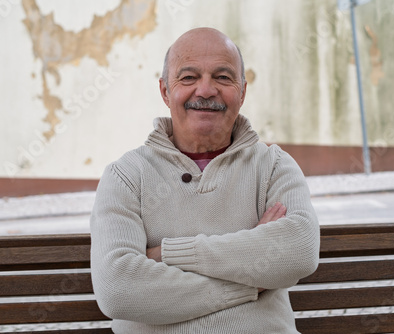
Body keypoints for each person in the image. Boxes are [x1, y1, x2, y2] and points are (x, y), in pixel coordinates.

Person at [90, 27, 320, 333]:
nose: (206, 90)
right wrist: (249, 284)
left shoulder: (273, 165)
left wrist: (166, 254)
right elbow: (119, 290)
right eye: (188, 77)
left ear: (242, 91)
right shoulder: (126, 175)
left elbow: (298, 251)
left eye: (223, 77)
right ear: (165, 91)